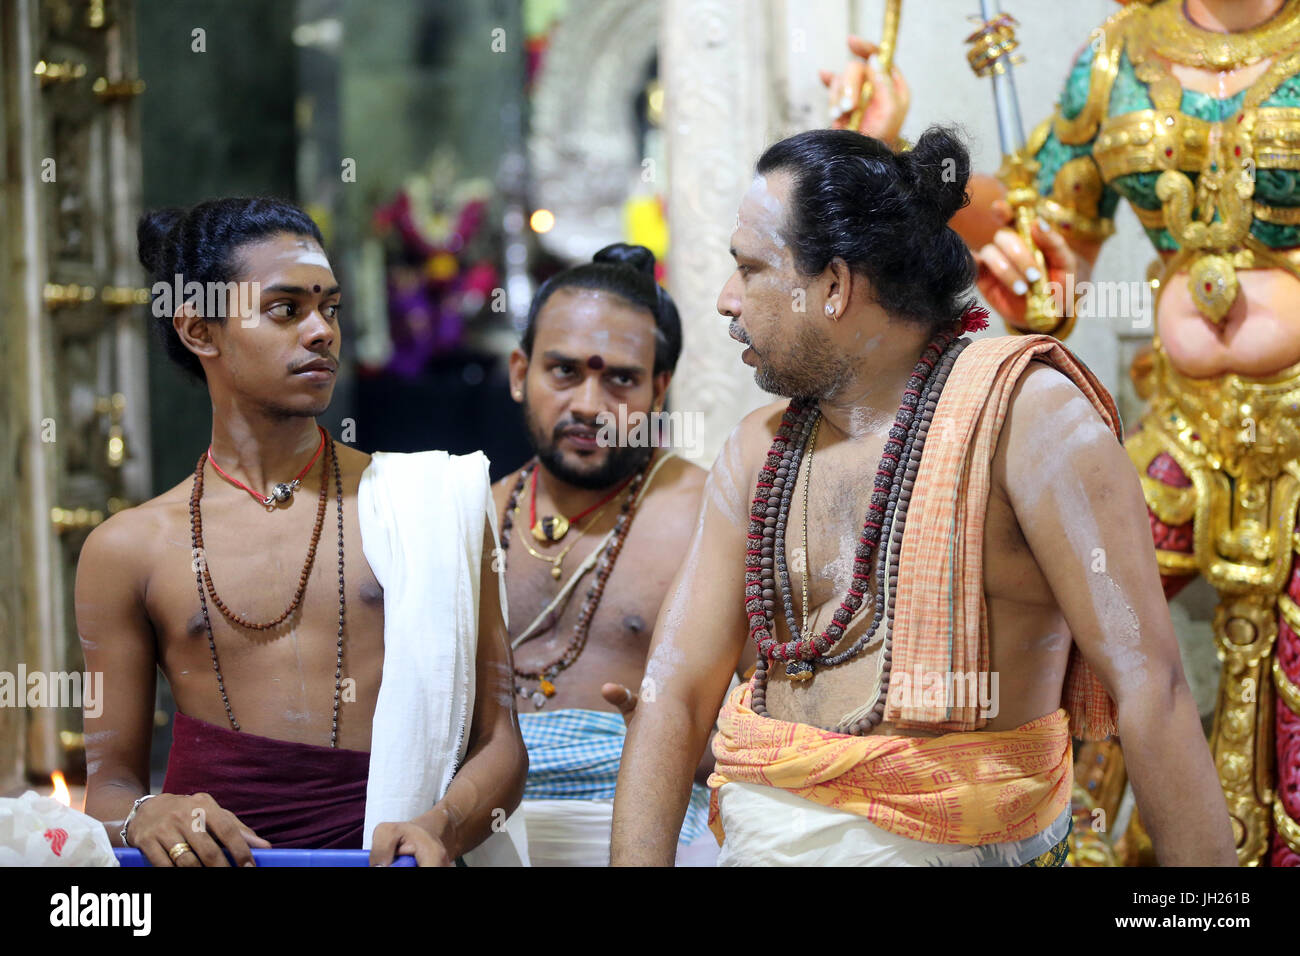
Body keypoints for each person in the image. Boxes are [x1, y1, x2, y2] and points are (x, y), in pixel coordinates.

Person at [609, 126, 1237, 866]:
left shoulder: (1028, 420)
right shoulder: (758, 449)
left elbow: (1151, 688)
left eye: (749, 269)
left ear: (835, 287)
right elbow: (673, 690)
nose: (724, 300)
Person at [829, 0, 1300, 866]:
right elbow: (1045, 235)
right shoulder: (1120, 56)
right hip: (1184, 437)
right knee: (1073, 614)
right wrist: (896, 159)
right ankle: (1063, 843)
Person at [76, 197, 526, 867]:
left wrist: (440, 826)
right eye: (287, 310)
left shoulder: (432, 501)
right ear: (201, 331)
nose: (322, 332)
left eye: (331, 309)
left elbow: (501, 745)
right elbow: (110, 787)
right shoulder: (127, 549)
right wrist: (148, 812)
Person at [492, 243, 725, 865]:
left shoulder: (712, 516)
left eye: (620, 378)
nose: (590, 406)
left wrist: (665, 741)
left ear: (659, 388)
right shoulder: (470, 515)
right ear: (520, 373)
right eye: (564, 371)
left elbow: (761, 734)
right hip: (480, 829)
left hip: (656, 831)